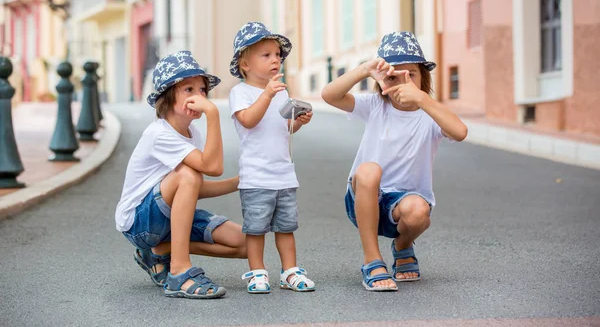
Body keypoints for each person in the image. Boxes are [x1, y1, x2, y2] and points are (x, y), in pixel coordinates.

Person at [321, 32, 468, 291]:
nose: (403, 82)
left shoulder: (430, 113)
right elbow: (329, 95)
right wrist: (366, 68)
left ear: (424, 77)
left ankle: (402, 246)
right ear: (381, 82)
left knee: (419, 211)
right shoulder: (376, 105)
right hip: (363, 198)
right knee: (369, 170)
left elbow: (460, 132)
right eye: (393, 76)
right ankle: (372, 260)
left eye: (410, 74)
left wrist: (422, 99)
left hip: (404, 204)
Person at [115, 50, 246, 299]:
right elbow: (211, 167)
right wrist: (213, 113)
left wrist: (238, 183)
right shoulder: (160, 134)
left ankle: (163, 250)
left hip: (166, 220)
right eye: (189, 90)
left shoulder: (192, 134)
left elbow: (194, 186)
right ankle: (179, 272)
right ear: (168, 96)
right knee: (188, 174)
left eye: (202, 90)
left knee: (245, 243)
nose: (199, 96)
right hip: (140, 224)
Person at [228, 22, 316, 293]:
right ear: (245, 64)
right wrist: (266, 94)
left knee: (286, 227)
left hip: (284, 174)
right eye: (266, 55)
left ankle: (290, 271)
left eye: (277, 55)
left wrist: (299, 122)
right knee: (255, 229)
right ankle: (257, 272)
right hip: (256, 176)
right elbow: (249, 121)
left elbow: (284, 129)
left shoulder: (281, 92)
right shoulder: (240, 93)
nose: (275, 59)